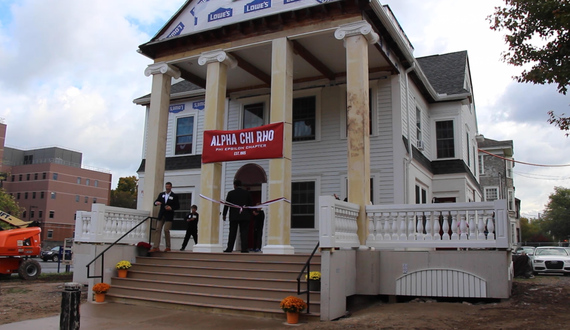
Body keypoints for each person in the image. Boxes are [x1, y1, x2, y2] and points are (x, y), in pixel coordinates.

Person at [223, 179, 253, 253]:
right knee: (244, 233)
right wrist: (250, 214)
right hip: (245, 215)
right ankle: (244, 249)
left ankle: (229, 248)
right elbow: (250, 205)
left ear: (234, 185)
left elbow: (227, 205)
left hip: (234, 216)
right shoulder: (247, 193)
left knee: (232, 232)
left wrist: (224, 214)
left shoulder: (231, 193)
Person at [150, 182, 180, 252]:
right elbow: (156, 202)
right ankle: (156, 246)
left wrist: (171, 208)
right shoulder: (161, 194)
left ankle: (168, 246)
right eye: (166, 186)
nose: (167, 188)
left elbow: (177, 206)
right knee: (158, 229)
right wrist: (156, 203)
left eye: (168, 186)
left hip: (169, 215)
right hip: (161, 214)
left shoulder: (174, 196)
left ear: (171, 187)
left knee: (166, 230)